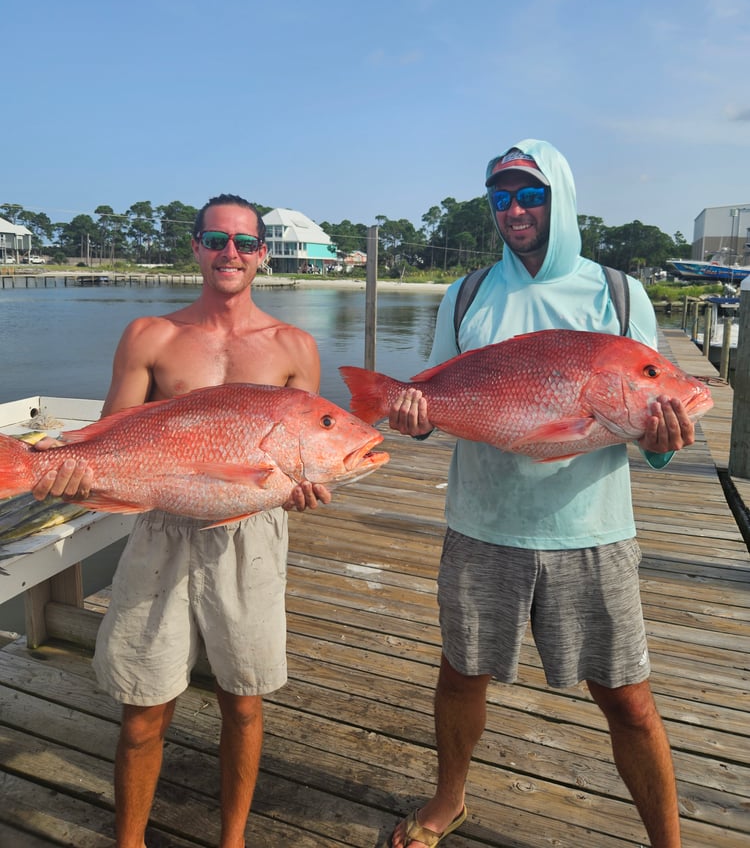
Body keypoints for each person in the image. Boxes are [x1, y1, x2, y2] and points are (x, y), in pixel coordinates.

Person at [388, 140, 696, 848]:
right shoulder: (467, 294)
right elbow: (439, 396)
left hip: (590, 529)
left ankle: (668, 841)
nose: (515, 210)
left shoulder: (617, 293)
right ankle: (449, 799)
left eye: (530, 194)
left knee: (628, 697)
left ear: (559, 198)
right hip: (482, 521)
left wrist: (664, 439)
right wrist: (413, 417)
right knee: (462, 673)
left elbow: (650, 419)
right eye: (501, 198)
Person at [32, 194, 330, 848]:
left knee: (244, 703)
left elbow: (307, 448)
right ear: (195, 247)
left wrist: (301, 490)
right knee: (141, 713)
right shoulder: (150, 336)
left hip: (250, 535)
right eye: (217, 240)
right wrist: (70, 473)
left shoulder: (294, 346)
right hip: (163, 531)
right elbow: (108, 441)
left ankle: (233, 840)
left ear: (263, 255)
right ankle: (129, 842)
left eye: (245, 243)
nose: (231, 253)